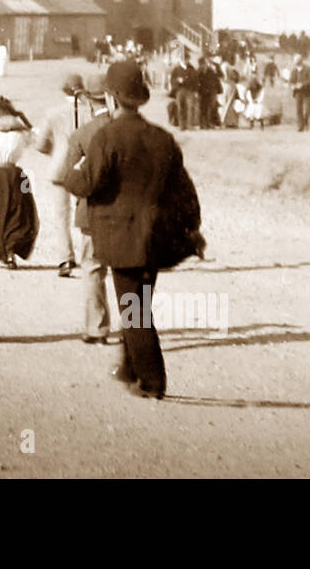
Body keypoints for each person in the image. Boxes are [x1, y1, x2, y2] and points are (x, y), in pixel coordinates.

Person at [63, 60, 200, 400]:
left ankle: (153, 381)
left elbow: (87, 184)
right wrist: (191, 229)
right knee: (139, 302)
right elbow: (184, 190)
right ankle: (129, 367)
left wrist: (70, 174)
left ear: (110, 97)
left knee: (134, 309)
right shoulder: (162, 139)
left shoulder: (106, 137)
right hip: (155, 236)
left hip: (118, 237)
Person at [61, 72, 114, 343]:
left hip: (92, 212)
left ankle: (97, 328)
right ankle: (137, 332)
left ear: (88, 101)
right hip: (125, 213)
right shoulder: (125, 129)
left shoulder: (81, 134)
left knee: (93, 269)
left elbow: (67, 175)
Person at [35, 72, 99, 278]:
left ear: (63, 89)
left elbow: (40, 144)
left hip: (59, 168)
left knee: (61, 216)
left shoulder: (53, 113)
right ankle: (90, 256)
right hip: (84, 168)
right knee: (86, 213)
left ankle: (65, 259)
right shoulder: (90, 112)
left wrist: (55, 152)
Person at [0, 97, 37, 271]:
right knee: (19, 214)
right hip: (16, 175)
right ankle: (10, 252)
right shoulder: (19, 135)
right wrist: (22, 118)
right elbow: (34, 135)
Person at [291, 54, 310, 131]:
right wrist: (293, 85)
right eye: (294, 61)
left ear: (300, 61)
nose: (294, 62)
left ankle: (305, 121)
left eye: (296, 61)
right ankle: (300, 126)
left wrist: (302, 84)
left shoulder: (308, 69)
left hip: (307, 92)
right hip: (298, 92)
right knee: (299, 110)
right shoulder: (294, 70)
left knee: (308, 108)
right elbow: (291, 80)